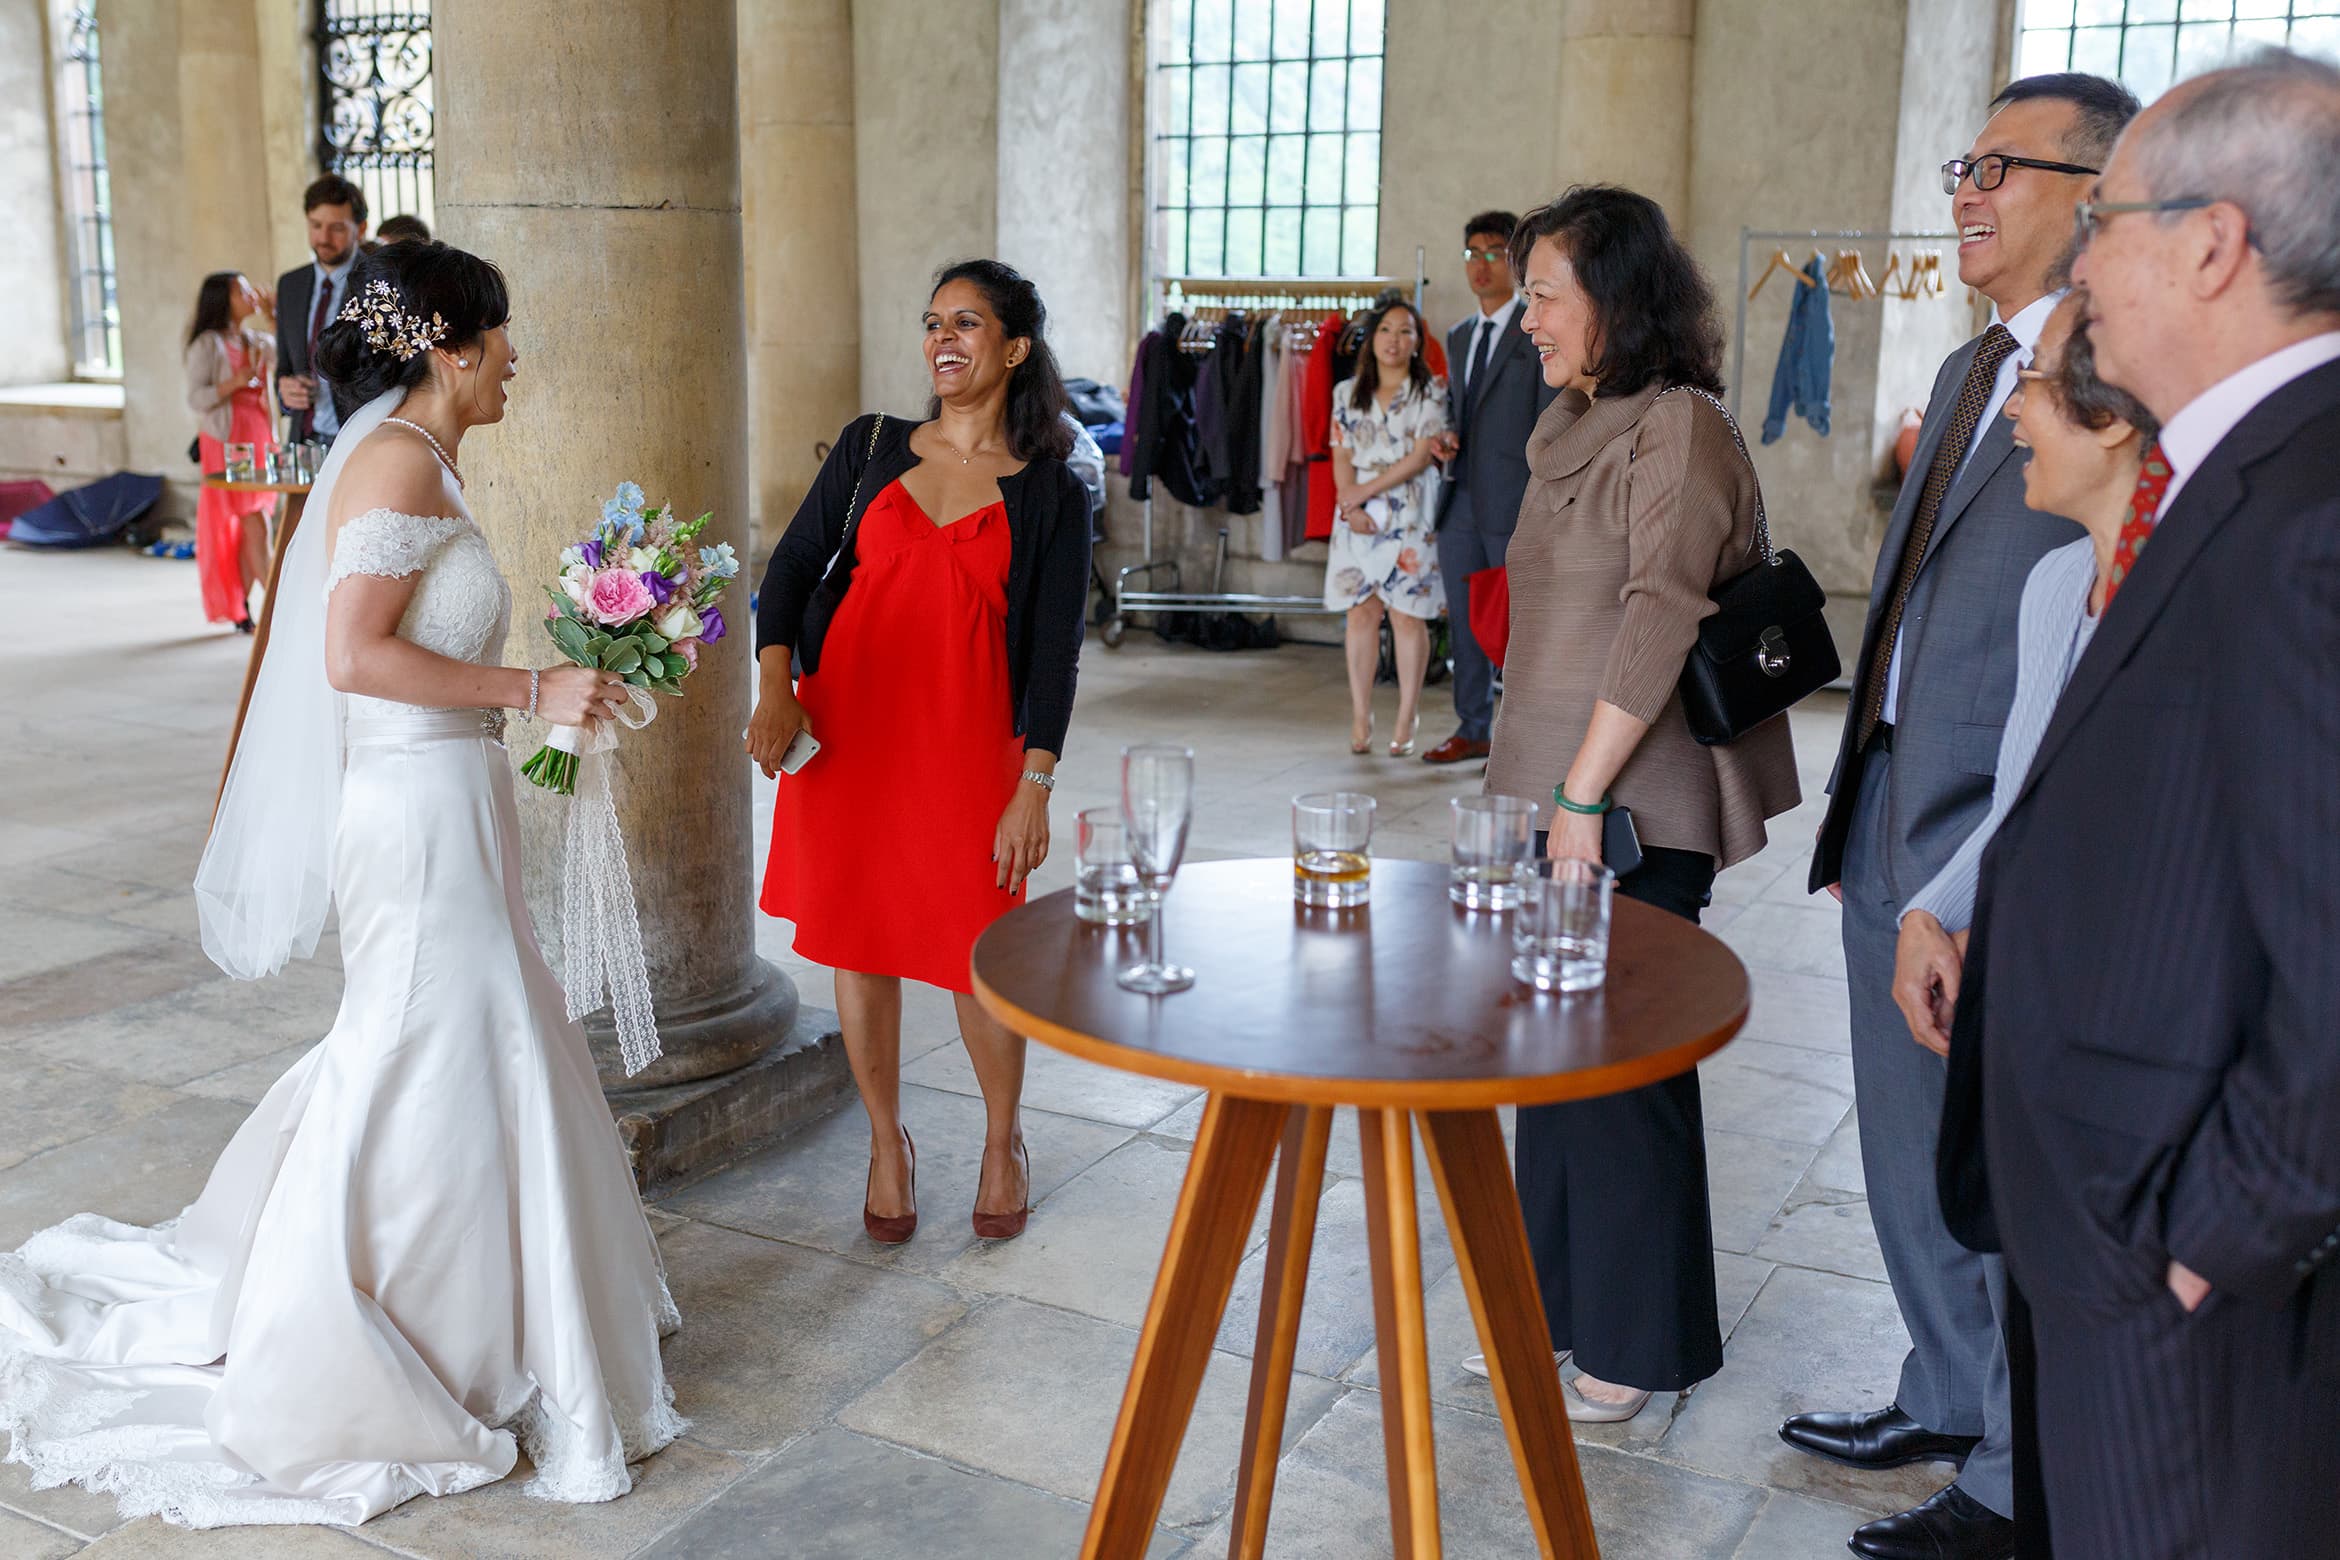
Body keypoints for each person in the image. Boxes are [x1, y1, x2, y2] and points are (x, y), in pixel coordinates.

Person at [0, 240, 680, 1528]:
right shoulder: (391, 463)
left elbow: (411, 641)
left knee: (470, 1038)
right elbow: (354, 656)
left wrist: (534, 708)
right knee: (425, 1042)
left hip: (448, 796)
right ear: (449, 345)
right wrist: (533, 687)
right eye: (504, 333)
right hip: (411, 813)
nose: (517, 356)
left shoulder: (420, 463)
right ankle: (363, 1326)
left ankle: (480, 1310)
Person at [1938, 53, 2340, 1558]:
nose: (2082, 261)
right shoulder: (2229, 469)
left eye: (2107, 218)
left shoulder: (2310, 509)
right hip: (2111, 1214)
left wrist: (2210, 1240)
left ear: (2215, 243)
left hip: (2184, 1267)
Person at [1793, 71, 2137, 1560]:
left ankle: (2008, 1476)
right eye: (1963, 162)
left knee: (1992, 1168)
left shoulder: (2118, 375)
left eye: (2005, 166)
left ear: (2100, 194)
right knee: (1903, 1140)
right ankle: (1943, 1390)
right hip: (1893, 803)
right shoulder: (1972, 364)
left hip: (2001, 825)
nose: (1967, 191)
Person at [1478, 186, 1799, 1422]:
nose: (1525, 320)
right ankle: (1551, 1311)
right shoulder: (1571, 425)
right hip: (1549, 795)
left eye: (1543, 293)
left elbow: (1662, 608)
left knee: (1623, 1073)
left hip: (1628, 805)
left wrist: (1579, 793)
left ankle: (1638, 1338)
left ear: (1614, 299)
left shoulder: (1679, 430)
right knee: (1552, 1063)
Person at [748, 258, 1090, 1248]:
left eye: (968, 323)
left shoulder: (1051, 493)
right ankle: (888, 1144)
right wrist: (776, 689)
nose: (944, 339)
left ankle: (1000, 1139)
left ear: (1013, 348)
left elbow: (1056, 652)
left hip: (971, 745)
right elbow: (791, 569)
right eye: (933, 321)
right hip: (851, 735)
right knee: (860, 941)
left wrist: (1034, 785)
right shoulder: (870, 449)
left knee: (977, 954)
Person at [1891, 298, 2154, 1057]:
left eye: (2032, 379)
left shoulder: (2205, 597)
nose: (2012, 404)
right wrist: (1926, 917)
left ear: (2112, 418)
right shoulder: (2056, 585)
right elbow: (2020, 810)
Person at [1425, 210, 1556, 766]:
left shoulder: (1537, 329)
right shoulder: (1457, 336)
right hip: (1458, 499)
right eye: (1471, 254)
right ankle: (1472, 727)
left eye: (1493, 253)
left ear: (1515, 262)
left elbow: (1551, 421)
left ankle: (1522, 737)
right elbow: (1458, 410)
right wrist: (1444, 439)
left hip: (1514, 502)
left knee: (1519, 625)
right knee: (1464, 615)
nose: (1480, 265)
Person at [1323, 299, 1450, 756]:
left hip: (1409, 509)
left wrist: (1363, 490)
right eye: (1386, 330)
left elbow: (1420, 458)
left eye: (1406, 331)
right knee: (1361, 612)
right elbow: (1339, 454)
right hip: (1356, 510)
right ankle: (1361, 713)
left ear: (1418, 342)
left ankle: (1406, 714)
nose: (1395, 340)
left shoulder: (1430, 390)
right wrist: (1348, 499)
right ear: (1372, 338)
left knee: (1405, 614)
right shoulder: (1345, 392)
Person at [184, 270, 277, 631]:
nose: (251, 293)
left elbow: (287, 354)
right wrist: (233, 384)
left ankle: (242, 605)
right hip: (225, 441)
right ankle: (276, 609)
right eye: (242, 290)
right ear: (224, 300)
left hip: (257, 437)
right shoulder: (206, 344)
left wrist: (273, 316)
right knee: (256, 522)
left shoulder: (255, 339)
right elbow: (196, 397)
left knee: (255, 523)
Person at [276, 174, 370, 445]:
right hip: (303, 440)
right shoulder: (290, 284)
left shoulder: (377, 282)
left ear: (360, 229)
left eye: (337, 228)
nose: (323, 238)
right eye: (316, 225)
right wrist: (285, 391)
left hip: (359, 439)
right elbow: (284, 365)